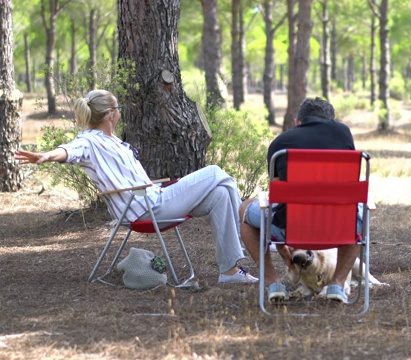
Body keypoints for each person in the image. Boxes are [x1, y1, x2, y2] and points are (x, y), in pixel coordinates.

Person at [15, 89, 258, 284]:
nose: (120, 112)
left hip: (155, 199)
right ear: (111, 114)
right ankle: (248, 228)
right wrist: (47, 155)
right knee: (215, 172)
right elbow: (70, 151)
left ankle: (229, 271)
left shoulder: (114, 141)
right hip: (147, 208)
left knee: (220, 194)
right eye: (118, 108)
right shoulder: (89, 140)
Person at [239, 97, 360, 303]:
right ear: (331, 120)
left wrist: (280, 245)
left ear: (298, 122)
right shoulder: (343, 133)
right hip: (339, 226)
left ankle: (273, 282)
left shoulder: (281, 143)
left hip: (290, 228)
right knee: (358, 218)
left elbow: (276, 197)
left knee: (244, 212)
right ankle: (337, 285)